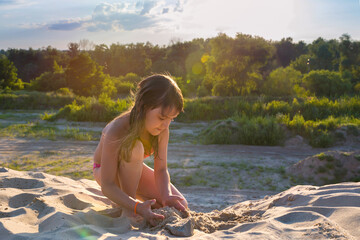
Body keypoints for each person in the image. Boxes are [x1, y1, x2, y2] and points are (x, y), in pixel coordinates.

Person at [92, 74, 188, 226]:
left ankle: (134, 202)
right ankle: (128, 208)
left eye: (172, 118)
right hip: (105, 171)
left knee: (180, 204)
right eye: (162, 118)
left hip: (131, 169)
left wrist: (166, 196)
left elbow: (161, 170)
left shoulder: (162, 130)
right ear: (144, 106)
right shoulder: (117, 129)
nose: (166, 125)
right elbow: (107, 185)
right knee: (134, 148)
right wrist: (136, 206)